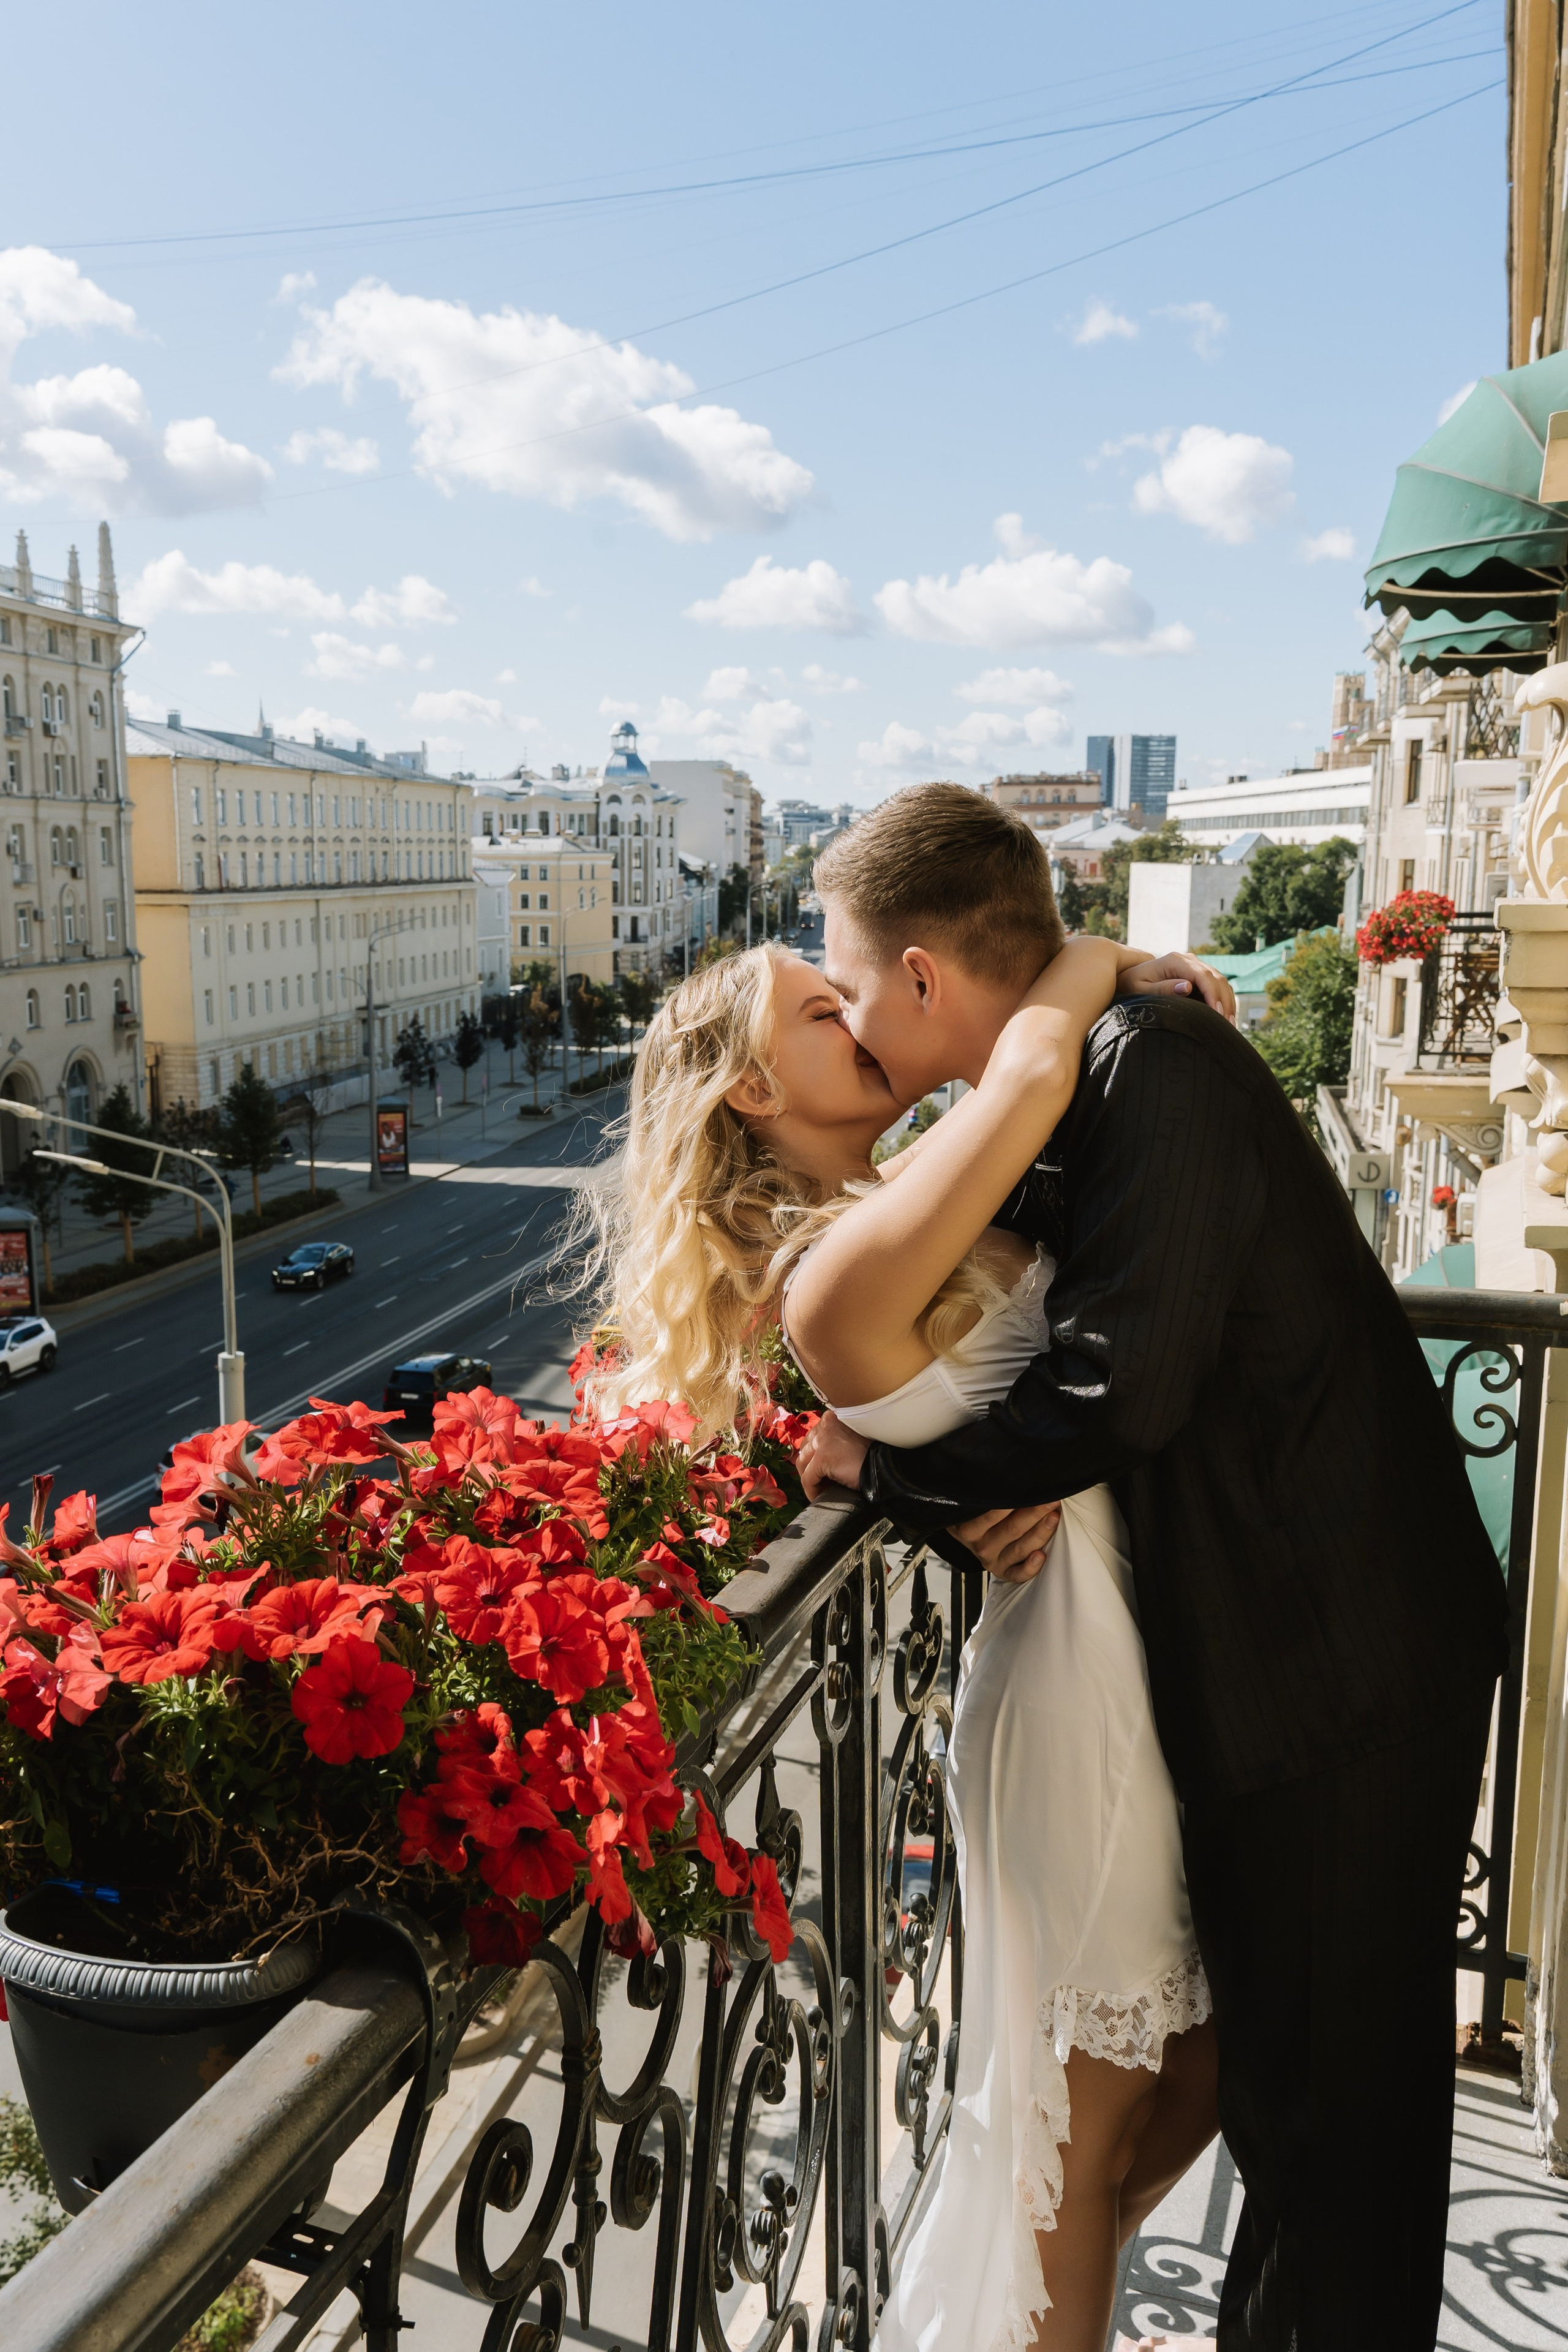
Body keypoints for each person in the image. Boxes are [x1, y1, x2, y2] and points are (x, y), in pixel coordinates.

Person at [801, 784, 1509, 2352]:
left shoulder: (1150, 1072)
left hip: (1335, 1667)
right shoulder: (1103, 1073)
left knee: (1335, 2144)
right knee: (1296, 2122)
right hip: (1288, 1653)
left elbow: (1118, 1391)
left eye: (850, 986)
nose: (853, 1026)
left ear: (924, 976)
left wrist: (889, 1470)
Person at [590, 923, 1237, 2351]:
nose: (866, 1022)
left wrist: (896, 1477)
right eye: (826, 1011)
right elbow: (1027, 1069)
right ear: (750, 1088)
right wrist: (1099, 956)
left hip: (1121, 1657)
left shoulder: (892, 1195)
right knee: (1086, 2132)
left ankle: (1009, 2308)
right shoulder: (831, 1253)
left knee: (1138, 2106)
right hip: (1077, 1698)